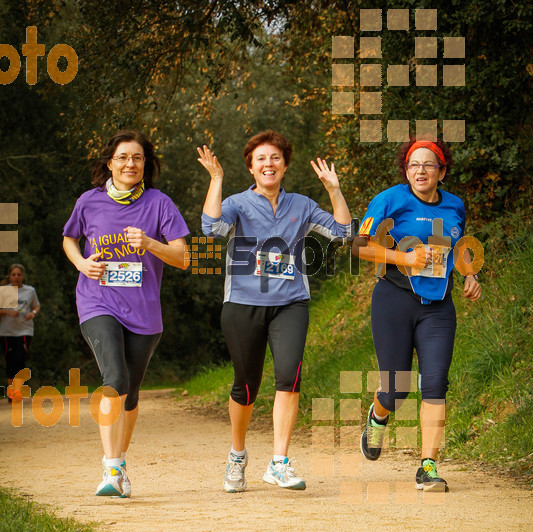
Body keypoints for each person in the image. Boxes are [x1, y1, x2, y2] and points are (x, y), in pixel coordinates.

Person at [198, 130, 352, 492]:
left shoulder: (301, 205)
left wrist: (333, 190)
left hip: (290, 304)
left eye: (275, 158)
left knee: (289, 378)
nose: (269, 164)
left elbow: (344, 232)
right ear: (251, 167)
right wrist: (216, 179)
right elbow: (211, 228)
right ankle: (238, 455)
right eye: (261, 159)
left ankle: (279, 462)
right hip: (242, 306)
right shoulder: (236, 203)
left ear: (285, 165)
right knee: (246, 387)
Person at [63, 130, 189, 497]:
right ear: (109, 163)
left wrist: (150, 243)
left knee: (130, 393)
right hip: (97, 301)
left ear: (145, 164)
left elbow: (182, 257)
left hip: (144, 312)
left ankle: (119, 461)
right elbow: (69, 238)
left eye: (137, 158)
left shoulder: (159, 203)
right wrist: (82, 264)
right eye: (122, 157)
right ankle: (111, 468)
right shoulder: (89, 201)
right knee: (114, 377)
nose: (130, 164)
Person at [352, 137, 482, 492]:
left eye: (428, 164)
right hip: (394, 299)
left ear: (442, 170)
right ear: (405, 170)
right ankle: (378, 415)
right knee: (397, 389)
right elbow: (360, 247)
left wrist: (469, 273)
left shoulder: (454, 205)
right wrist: (405, 258)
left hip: (438, 308)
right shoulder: (390, 200)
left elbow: (456, 247)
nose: (420, 171)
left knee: (436, 383)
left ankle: (428, 466)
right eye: (413, 164)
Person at [0, 263, 40, 401]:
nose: (16, 277)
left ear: (23, 276)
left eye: (19, 275)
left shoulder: (29, 291)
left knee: (20, 359)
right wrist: (7, 312)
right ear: (9, 276)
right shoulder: (4, 290)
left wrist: (33, 313)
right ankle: (13, 393)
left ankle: (18, 392)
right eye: (13, 274)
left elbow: (37, 306)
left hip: (24, 330)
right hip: (7, 331)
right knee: (10, 361)